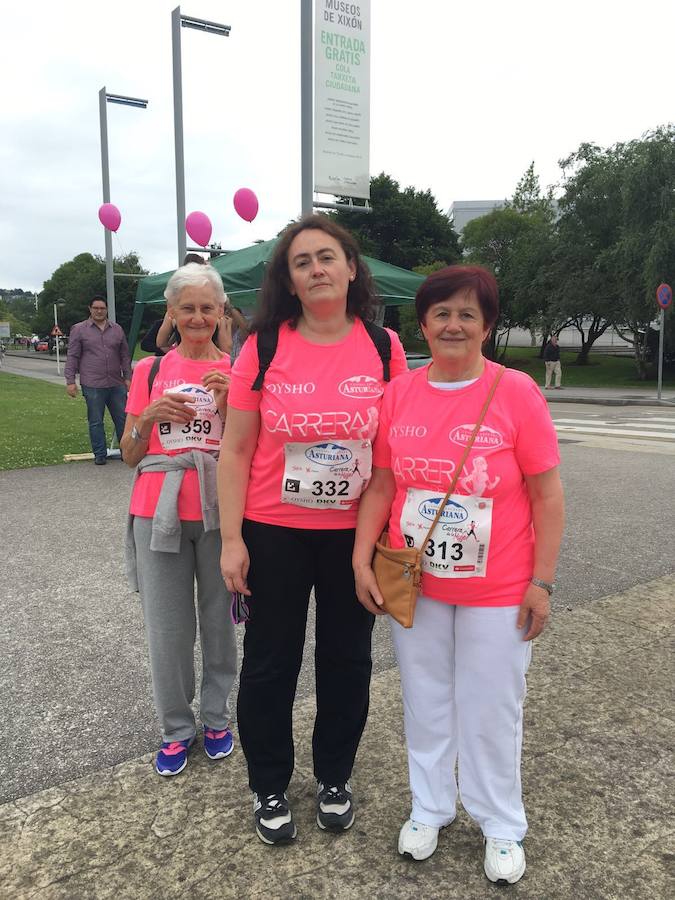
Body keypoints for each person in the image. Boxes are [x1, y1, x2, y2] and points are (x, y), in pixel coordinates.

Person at [352, 266, 563, 884]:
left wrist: (542, 582)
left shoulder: (516, 391)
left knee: (492, 704)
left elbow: (547, 495)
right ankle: (431, 806)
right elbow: (383, 483)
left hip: (498, 586)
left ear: (487, 327)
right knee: (424, 698)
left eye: (468, 314)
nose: (453, 324)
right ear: (422, 324)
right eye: (441, 313)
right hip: (416, 580)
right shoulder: (399, 394)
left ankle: (501, 823)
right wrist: (362, 557)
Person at [218, 214, 408, 845]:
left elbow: (395, 452)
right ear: (289, 281)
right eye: (302, 263)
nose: (317, 269)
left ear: (352, 268)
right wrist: (230, 539)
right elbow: (237, 451)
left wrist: (389, 539)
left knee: (347, 659)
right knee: (271, 662)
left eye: (327, 257)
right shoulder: (264, 346)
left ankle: (334, 775)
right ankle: (269, 782)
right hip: (274, 528)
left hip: (355, 532)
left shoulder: (384, 347)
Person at [121, 262, 237, 777]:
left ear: (220, 313)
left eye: (206, 308)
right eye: (186, 308)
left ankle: (216, 718)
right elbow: (128, 454)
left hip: (219, 510)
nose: (196, 317)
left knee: (219, 621)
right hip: (157, 507)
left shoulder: (238, 370)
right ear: (171, 313)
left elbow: (251, 450)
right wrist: (147, 419)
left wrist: (230, 406)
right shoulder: (148, 372)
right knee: (166, 627)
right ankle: (175, 728)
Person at [64, 296, 132, 465]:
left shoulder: (117, 329)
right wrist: (70, 381)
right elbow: (72, 356)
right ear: (90, 309)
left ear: (107, 309)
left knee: (123, 419)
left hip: (117, 383)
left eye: (102, 308)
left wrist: (128, 377)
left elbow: (124, 355)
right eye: (96, 308)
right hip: (93, 383)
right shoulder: (79, 329)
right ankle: (100, 454)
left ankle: (127, 452)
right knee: (95, 421)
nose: (99, 311)